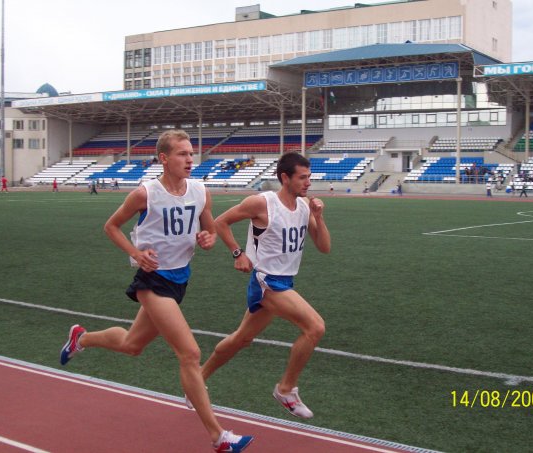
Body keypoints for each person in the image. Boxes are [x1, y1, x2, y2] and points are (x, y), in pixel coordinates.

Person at [59, 130, 253, 453]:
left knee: (132, 345)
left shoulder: (200, 191)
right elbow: (111, 226)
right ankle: (219, 437)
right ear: (164, 158)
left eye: (191, 153)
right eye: (182, 154)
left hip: (180, 279)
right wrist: (136, 254)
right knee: (190, 353)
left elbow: (209, 228)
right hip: (152, 280)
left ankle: (81, 338)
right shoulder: (145, 194)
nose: (190, 159)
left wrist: (208, 239)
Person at [191, 152, 331, 420]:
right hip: (266, 281)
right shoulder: (262, 203)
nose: (308, 183)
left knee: (241, 339)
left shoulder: (304, 207)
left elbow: (324, 247)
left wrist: (318, 217)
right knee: (315, 327)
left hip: (285, 280)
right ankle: (285, 389)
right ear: (285, 178)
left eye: (309, 177)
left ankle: (197, 378)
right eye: (303, 178)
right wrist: (238, 253)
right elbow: (221, 222)